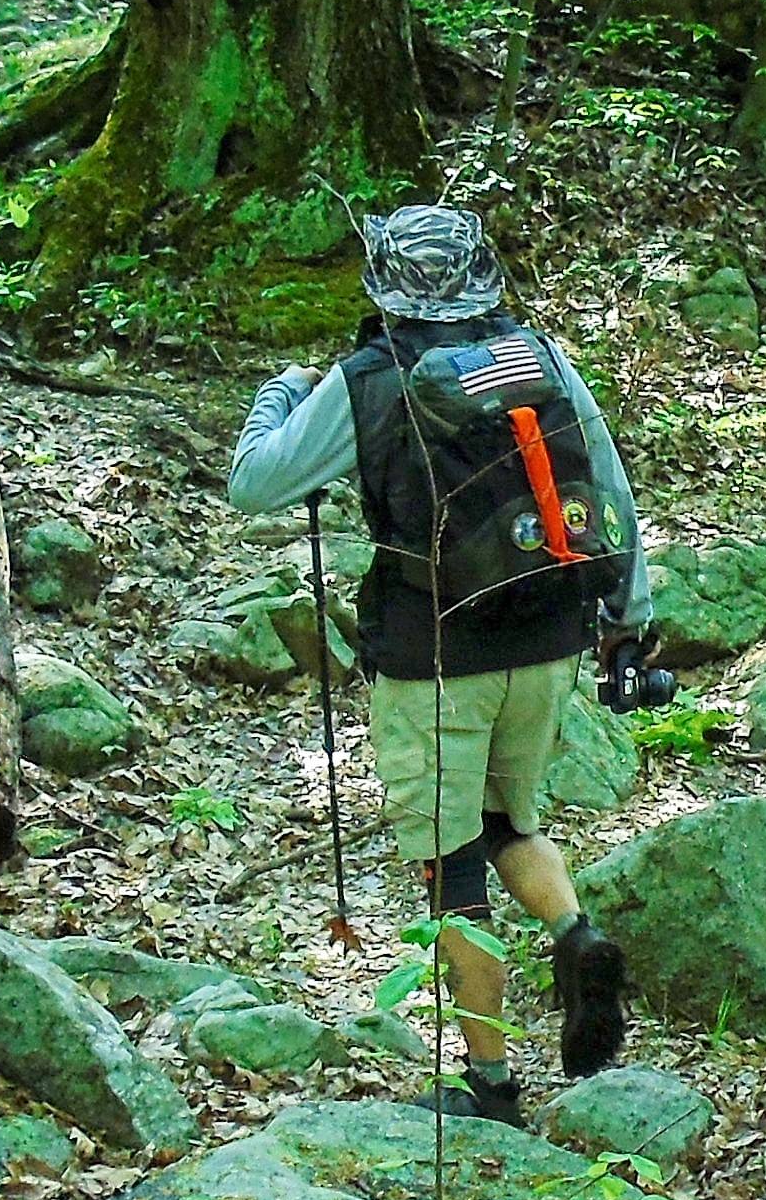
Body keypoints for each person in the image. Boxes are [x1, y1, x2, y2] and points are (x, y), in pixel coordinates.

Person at [228, 205, 649, 1126]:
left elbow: (254, 483)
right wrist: (628, 619)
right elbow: (608, 491)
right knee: (509, 818)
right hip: (548, 639)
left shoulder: (368, 381)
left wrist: (281, 395)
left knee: (452, 868)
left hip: (432, 660)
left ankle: (491, 1085)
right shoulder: (540, 357)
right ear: (483, 276)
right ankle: (576, 933)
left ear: (383, 285)